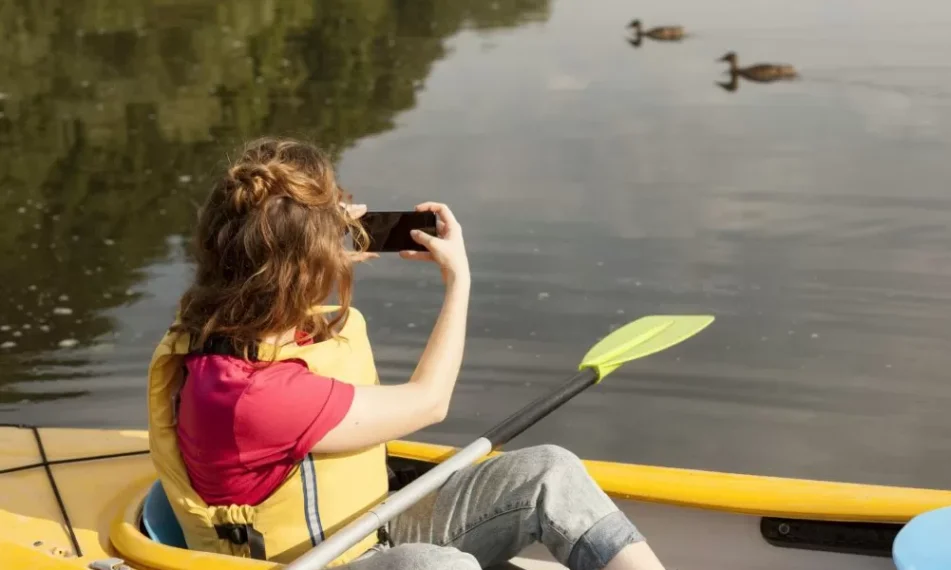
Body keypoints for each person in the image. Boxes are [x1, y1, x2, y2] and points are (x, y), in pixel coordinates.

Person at [145, 137, 668, 570]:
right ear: (298, 270)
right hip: (321, 562)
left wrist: (316, 238)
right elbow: (430, 401)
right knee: (435, 567)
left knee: (551, 471)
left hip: (366, 527)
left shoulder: (227, 325)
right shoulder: (251, 396)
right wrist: (459, 280)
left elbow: (258, 266)